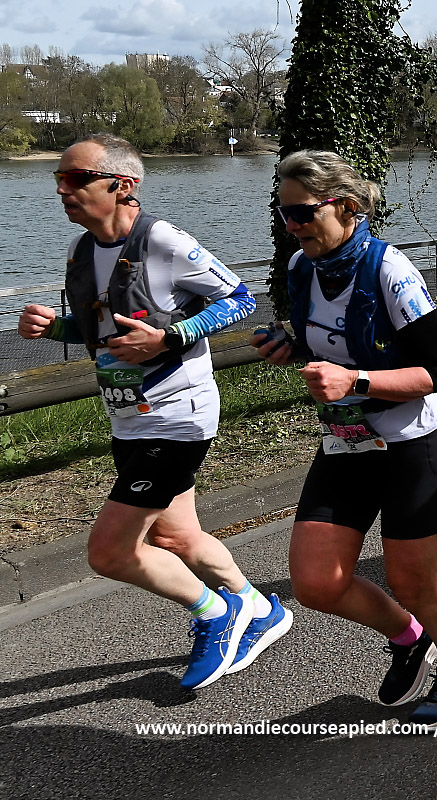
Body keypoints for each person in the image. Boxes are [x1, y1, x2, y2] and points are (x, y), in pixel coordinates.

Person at [18, 132, 292, 691]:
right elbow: (103, 332)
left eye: (76, 179)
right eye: (59, 179)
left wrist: (170, 337)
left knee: (110, 552)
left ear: (123, 186)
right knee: (178, 538)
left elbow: (240, 299)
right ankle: (261, 609)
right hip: (127, 415)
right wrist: (55, 329)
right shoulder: (81, 250)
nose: (63, 190)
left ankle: (216, 613)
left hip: (176, 418)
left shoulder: (162, 240)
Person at [251, 149, 437, 731]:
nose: (292, 226)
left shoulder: (390, 270)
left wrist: (354, 380)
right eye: (284, 214)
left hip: (414, 442)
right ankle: (409, 636)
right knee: (316, 583)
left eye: (303, 213)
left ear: (348, 207)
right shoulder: (301, 267)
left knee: (410, 579)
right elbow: (327, 344)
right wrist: (291, 348)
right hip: (349, 441)